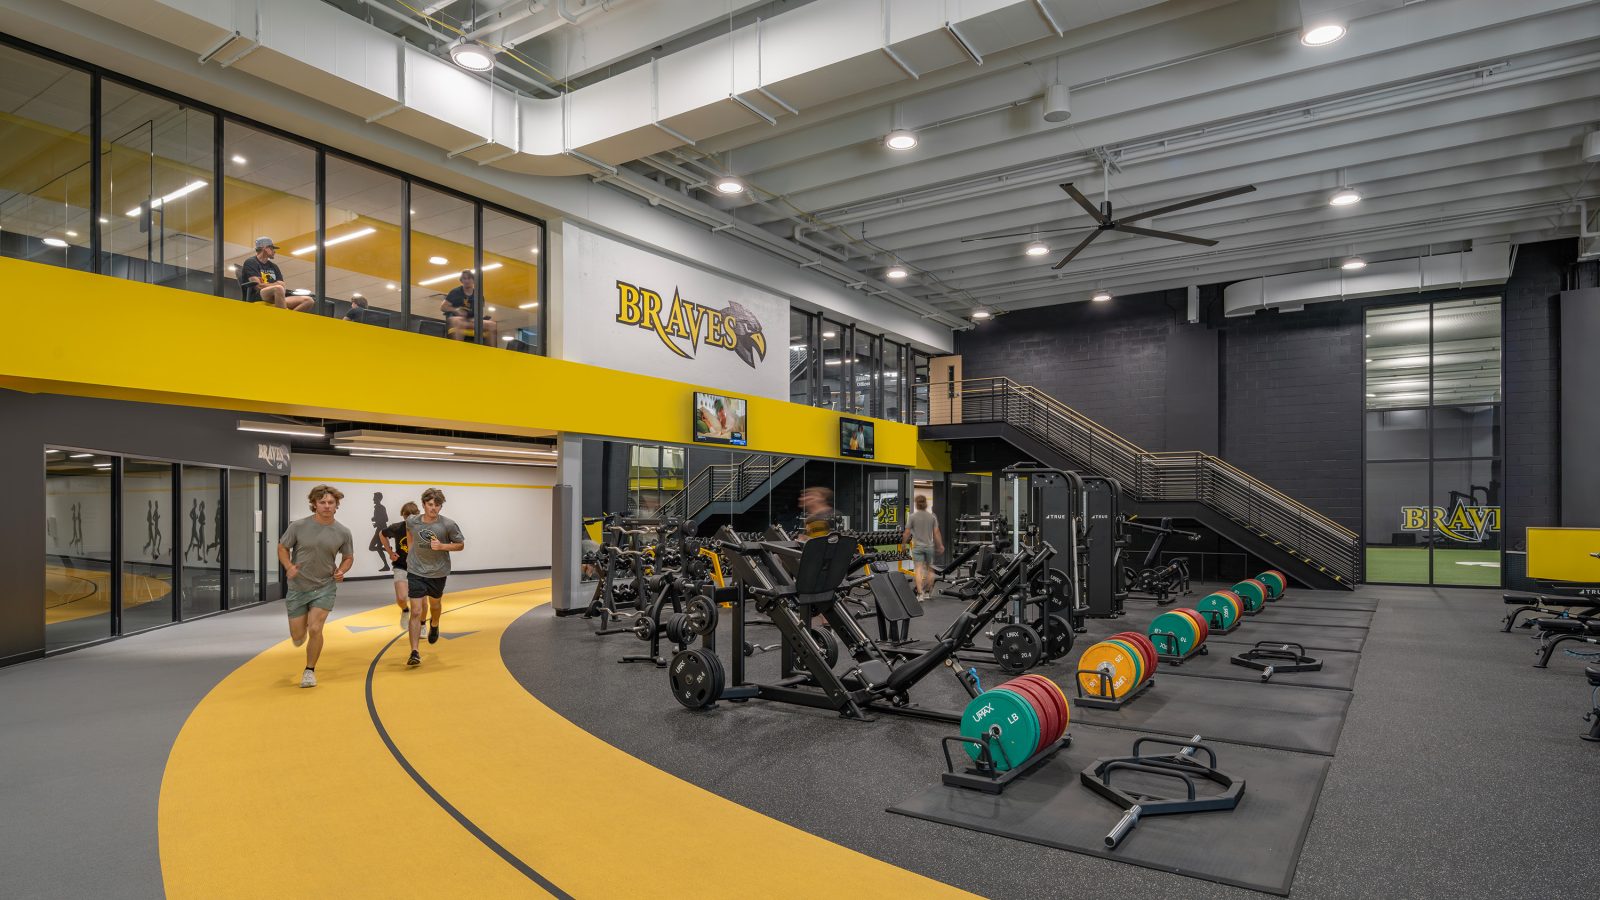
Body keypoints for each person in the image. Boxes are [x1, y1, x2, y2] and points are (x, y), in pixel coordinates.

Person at [277, 484, 354, 688]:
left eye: (331, 503)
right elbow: (282, 547)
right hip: (298, 586)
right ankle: (298, 635)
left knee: (315, 628)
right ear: (314, 504)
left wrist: (342, 570)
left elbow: (348, 557)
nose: (327, 506)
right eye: (322, 502)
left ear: (337, 505)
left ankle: (309, 671)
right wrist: (288, 566)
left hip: (325, 586)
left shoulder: (343, 532)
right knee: (298, 635)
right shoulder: (298, 527)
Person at [403, 487, 465, 667]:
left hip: (438, 571)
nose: (434, 508)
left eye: (437, 505)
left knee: (435, 604)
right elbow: (409, 532)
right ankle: (414, 652)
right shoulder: (412, 521)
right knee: (415, 611)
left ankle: (435, 623)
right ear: (423, 504)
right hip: (416, 570)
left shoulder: (448, 525)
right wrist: (409, 552)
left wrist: (443, 546)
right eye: (430, 504)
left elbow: (460, 545)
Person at [378, 501, 420, 630]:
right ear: (403, 516)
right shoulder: (397, 528)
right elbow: (382, 534)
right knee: (402, 598)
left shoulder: (422, 528)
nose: (410, 519)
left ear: (418, 515)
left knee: (420, 604)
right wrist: (390, 552)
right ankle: (405, 610)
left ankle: (422, 624)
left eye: (413, 515)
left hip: (419, 569)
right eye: (407, 516)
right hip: (401, 566)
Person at [240, 237, 314, 311]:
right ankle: (282, 318)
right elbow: (258, 286)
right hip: (260, 295)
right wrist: (276, 284)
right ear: (265, 248)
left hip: (277, 296)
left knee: (308, 301)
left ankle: (288, 318)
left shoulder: (274, 266)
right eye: (272, 248)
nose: (274, 251)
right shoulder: (251, 262)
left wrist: (273, 285)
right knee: (278, 288)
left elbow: (283, 285)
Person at [903, 495, 945, 601]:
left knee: (918, 570)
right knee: (930, 570)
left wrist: (903, 544)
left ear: (916, 504)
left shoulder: (912, 516)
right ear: (925, 503)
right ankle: (927, 592)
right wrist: (940, 545)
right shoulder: (932, 516)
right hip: (929, 546)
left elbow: (907, 532)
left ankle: (920, 594)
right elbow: (936, 532)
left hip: (917, 547)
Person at [442, 270, 498, 344]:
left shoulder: (479, 295)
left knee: (492, 325)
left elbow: (479, 312)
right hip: (456, 320)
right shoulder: (455, 292)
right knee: (458, 320)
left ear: (473, 280)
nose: (467, 281)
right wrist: (456, 310)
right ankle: (457, 349)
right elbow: (443, 307)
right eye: (464, 279)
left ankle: (491, 352)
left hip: (471, 321)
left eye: (469, 278)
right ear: (461, 281)